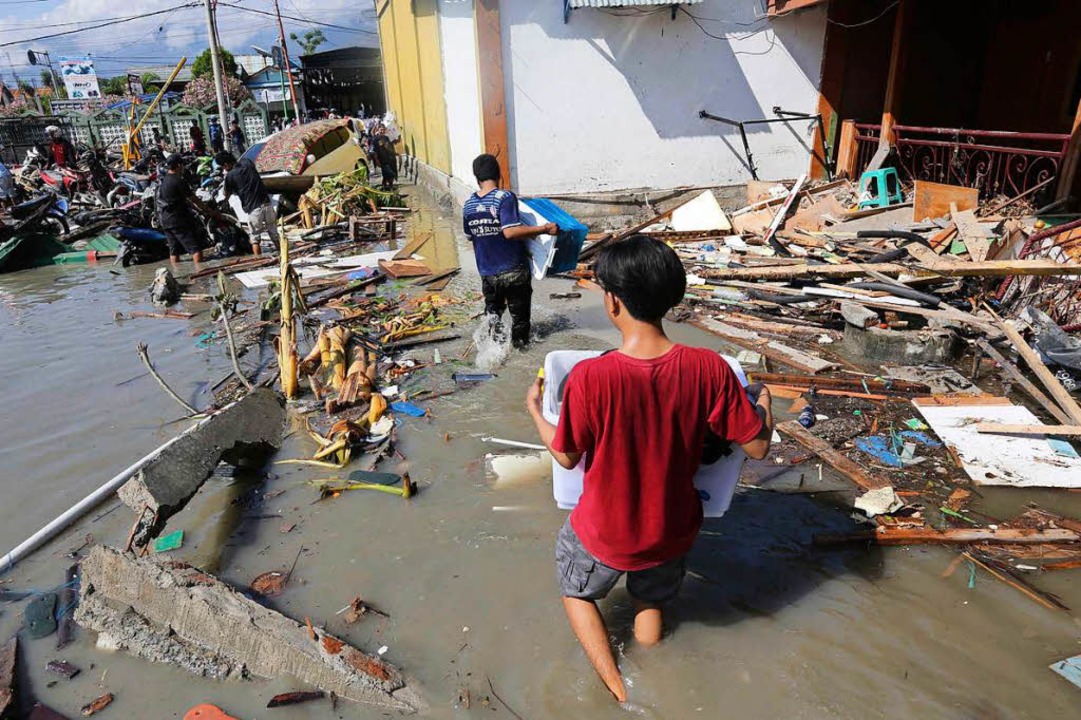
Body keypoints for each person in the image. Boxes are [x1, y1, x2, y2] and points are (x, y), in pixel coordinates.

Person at [525, 236, 776, 704]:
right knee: (650, 599)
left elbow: (565, 457)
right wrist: (765, 402)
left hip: (605, 531)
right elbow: (758, 446)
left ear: (613, 301)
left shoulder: (590, 378)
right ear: (671, 297)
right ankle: (655, 670)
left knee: (575, 592)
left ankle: (620, 692)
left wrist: (536, 410)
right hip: (672, 530)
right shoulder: (710, 369)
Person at [463, 153, 557, 350]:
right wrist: (544, 229)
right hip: (513, 270)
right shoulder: (504, 197)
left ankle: (494, 354)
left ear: (476, 177)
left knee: (493, 317)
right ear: (498, 174)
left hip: (488, 273)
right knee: (520, 321)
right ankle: (521, 353)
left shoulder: (469, 205)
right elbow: (510, 232)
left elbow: (471, 237)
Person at [156, 153, 223, 264]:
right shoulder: (178, 181)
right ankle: (201, 276)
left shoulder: (164, 181)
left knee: (174, 252)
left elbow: (185, 201)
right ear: (178, 165)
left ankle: (177, 273)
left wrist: (200, 211)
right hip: (178, 220)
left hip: (165, 220)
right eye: (182, 165)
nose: (183, 167)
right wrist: (210, 212)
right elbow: (194, 199)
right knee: (196, 250)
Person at [217, 151, 273, 257]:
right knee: (275, 234)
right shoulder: (247, 162)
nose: (224, 169)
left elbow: (226, 193)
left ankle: (259, 261)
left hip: (253, 208)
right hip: (267, 203)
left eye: (223, 167)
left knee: (255, 239)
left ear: (226, 165)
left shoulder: (230, 175)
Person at [373, 126, 398, 190]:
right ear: (378, 130)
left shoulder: (386, 138)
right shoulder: (376, 139)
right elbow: (374, 151)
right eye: (381, 130)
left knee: (386, 174)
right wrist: (377, 160)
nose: (382, 131)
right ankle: (389, 186)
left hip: (388, 158)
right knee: (391, 174)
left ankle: (386, 186)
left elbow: (388, 148)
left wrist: (394, 153)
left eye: (383, 130)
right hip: (381, 160)